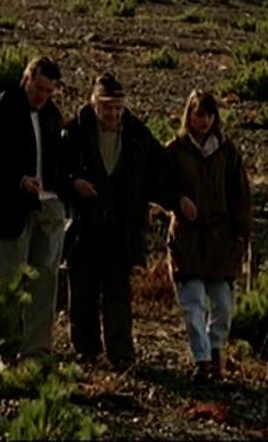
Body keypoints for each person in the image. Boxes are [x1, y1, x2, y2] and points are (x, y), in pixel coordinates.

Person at [62, 73, 194, 370]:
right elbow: (58, 171)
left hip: (120, 228)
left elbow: (156, 177)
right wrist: (74, 183)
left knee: (118, 293)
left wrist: (177, 200)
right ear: (94, 103)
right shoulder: (75, 133)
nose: (113, 114)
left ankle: (121, 353)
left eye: (118, 107)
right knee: (82, 291)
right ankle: (86, 350)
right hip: (84, 225)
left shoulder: (137, 136)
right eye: (107, 107)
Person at [0, 56, 67, 360]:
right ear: (26, 79)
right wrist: (17, 181)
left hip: (46, 208)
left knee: (44, 281)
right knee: (8, 285)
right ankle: (6, 353)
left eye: (49, 91)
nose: (42, 96)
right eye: (38, 88)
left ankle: (36, 351)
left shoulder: (51, 115)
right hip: (8, 212)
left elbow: (58, 160)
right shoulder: (0, 113)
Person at [165, 89, 252, 383]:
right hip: (188, 238)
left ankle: (216, 353)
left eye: (209, 115)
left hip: (220, 238)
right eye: (198, 113)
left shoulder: (227, 152)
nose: (203, 121)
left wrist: (241, 236)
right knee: (193, 304)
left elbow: (241, 196)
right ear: (188, 114)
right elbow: (159, 184)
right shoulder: (175, 150)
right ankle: (201, 361)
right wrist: (178, 200)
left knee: (223, 305)